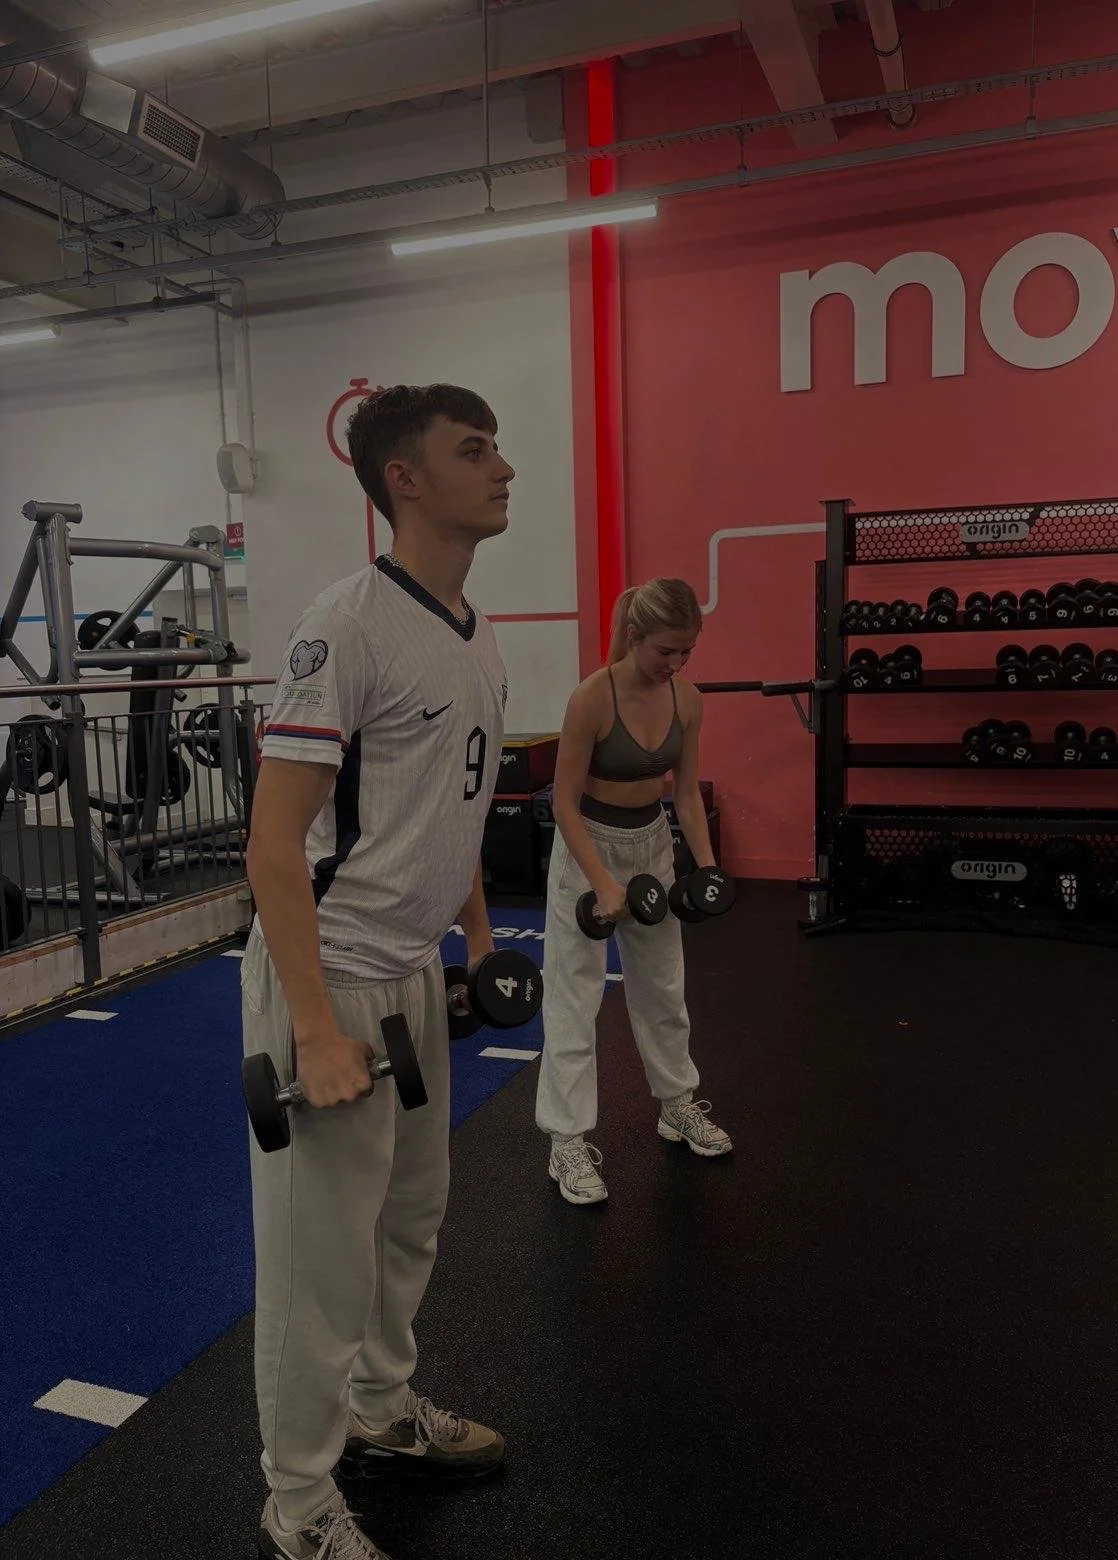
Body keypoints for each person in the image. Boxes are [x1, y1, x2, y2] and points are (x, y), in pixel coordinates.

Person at [242, 384, 514, 1560]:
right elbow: (271, 845)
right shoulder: (344, 624)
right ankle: (296, 1504)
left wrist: (481, 942)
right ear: (405, 479)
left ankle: (381, 1411)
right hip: (333, 978)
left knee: (412, 1222)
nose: (504, 466)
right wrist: (314, 1030)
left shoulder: (474, 627)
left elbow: (448, 814)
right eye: (475, 449)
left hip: (409, 976)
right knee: (319, 1262)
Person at [536, 578, 732, 1205]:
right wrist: (601, 883)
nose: (675, 664)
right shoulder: (592, 699)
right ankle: (566, 1141)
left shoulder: (689, 700)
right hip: (588, 845)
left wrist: (706, 867)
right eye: (665, 652)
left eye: (686, 653)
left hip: (653, 843)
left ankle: (676, 1104)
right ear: (634, 636)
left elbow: (686, 795)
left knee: (663, 986)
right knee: (575, 995)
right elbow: (562, 801)